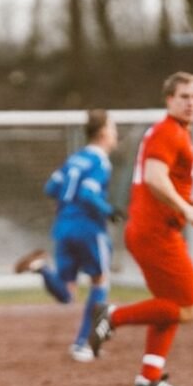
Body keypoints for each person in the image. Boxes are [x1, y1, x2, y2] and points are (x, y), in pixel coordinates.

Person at [88, 71, 193, 386]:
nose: (191, 103)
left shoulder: (174, 133)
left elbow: (163, 188)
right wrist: (187, 210)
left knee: (169, 305)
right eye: (184, 96)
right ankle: (112, 316)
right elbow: (155, 180)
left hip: (151, 230)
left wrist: (192, 202)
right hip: (156, 235)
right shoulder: (168, 133)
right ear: (169, 99)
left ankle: (149, 378)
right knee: (189, 308)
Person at [14, 109, 121, 363]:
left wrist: (66, 205)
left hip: (63, 226)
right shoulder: (100, 162)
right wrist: (110, 211)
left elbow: (51, 187)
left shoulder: (75, 159)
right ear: (104, 132)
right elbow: (87, 193)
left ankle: (41, 268)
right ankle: (84, 344)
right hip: (88, 228)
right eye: (114, 129)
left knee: (67, 292)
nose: (116, 134)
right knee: (100, 282)